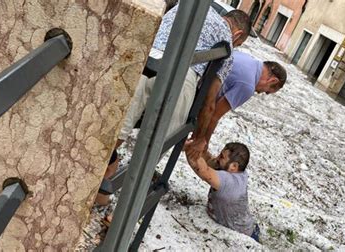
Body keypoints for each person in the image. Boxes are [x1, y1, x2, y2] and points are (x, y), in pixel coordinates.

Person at [96, 4, 252, 205]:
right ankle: (121, 212)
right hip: (182, 77)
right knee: (154, 149)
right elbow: (209, 101)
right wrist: (199, 138)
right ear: (237, 35)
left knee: (117, 131)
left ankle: (88, 180)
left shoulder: (182, 8)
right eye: (238, 43)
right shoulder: (226, 45)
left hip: (147, 62)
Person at [203, 51, 287, 149]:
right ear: (273, 80)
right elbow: (213, 116)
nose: (259, 93)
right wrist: (204, 145)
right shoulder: (248, 86)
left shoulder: (245, 57)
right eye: (266, 92)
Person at [184, 140, 260, 242]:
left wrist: (190, 150)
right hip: (247, 226)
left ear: (234, 166)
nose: (217, 158)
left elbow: (204, 171)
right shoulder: (239, 172)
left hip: (243, 236)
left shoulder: (229, 181)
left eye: (222, 157)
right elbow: (211, 161)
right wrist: (198, 147)